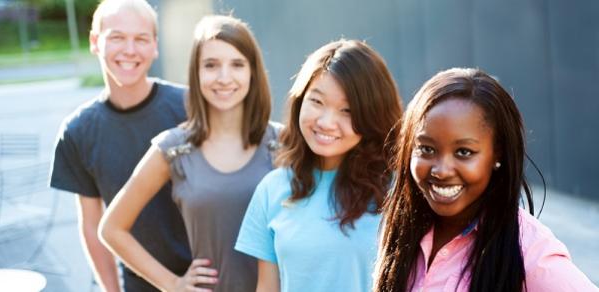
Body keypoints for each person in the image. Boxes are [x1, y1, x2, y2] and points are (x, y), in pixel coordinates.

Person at [374, 68, 599, 292]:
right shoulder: (404, 226)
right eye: (426, 148)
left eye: (464, 152)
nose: (441, 171)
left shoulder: (529, 251)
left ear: (497, 154)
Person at [99, 15, 279, 292]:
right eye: (211, 65)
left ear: (253, 72)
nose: (224, 77)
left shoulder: (282, 141)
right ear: (195, 72)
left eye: (237, 65)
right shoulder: (173, 149)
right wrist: (172, 283)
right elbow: (111, 229)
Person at [235, 39, 403, 292]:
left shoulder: (398, 190)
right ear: (300, 100)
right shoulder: (273, 189)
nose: (326, 122)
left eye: (347, 111)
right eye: (317, 102)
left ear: (372, 115)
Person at [49, 0, 191, 291]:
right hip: (138, 282)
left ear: (155, 46)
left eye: (141, 39)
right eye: (117, 37)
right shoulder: (77, 131)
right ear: (95, 42)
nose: (129, 50)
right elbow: (92, 224)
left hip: (206, 276)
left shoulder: (190, 107)